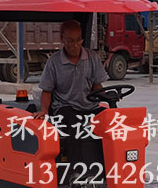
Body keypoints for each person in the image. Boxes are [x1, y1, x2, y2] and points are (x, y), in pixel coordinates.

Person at [33, 19, 109, 171]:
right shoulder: (54, 62)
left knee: (112, 121)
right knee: (75, 126)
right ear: (62, 39)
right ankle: (77, 172)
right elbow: (47, 90)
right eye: (70, 41)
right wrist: (44, 110)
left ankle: (111, 167)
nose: (75, 45)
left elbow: (97, 86)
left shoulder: (92, 57)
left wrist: (108, 100)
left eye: (78, 40)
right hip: (65, 106)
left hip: (89, 106)